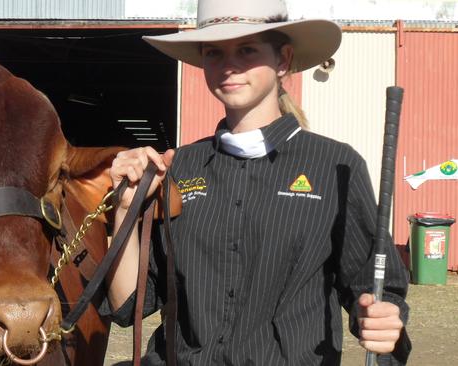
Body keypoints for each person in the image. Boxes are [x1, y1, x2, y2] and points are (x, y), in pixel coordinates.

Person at [102, 0, 411, 364]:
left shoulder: (336, 166)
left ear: (283, 60)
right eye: (214, 52)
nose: (228, 65)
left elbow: (376, 292)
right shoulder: (180, 166)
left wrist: (383, 318)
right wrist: (125, 206)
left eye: (246, 50)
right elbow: (128, 306)